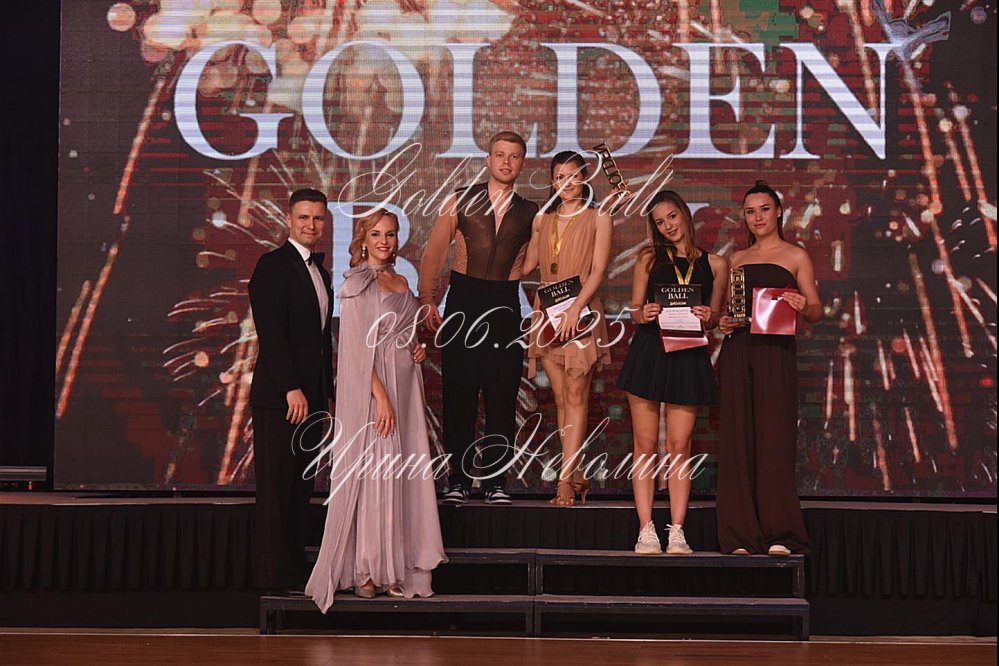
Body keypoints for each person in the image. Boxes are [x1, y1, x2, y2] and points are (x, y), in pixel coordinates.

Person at [306, 208, 446, 610]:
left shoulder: (402, 281)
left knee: (400, 476)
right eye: (377, 234)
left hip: (407, 388)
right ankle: (368, 571)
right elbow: (354, 349)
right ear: (363, 240)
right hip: (374, 392)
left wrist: (417, 349)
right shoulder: (355, 284)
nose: (385, 241)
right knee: (374, 476)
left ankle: (395, 569)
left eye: (391, 234)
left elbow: (405, 331)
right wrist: (381, 398)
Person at [418, 131, 540, 505]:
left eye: (514, 156)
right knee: (460, 394)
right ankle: (457, 479)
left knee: (502, 396)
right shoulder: (460, 199)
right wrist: (427, 298)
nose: (506, 162)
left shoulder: (532, 212)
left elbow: (534, 262)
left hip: (505, 304)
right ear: (488, 160)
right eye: (500, 155)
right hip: (463, 302)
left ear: (522, 163)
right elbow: (434, 252)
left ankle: (495, 482)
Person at [616, 190, 727, 555]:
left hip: (688, 354)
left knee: (680, 446)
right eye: (660, 222)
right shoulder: (648, 258)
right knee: (645, 445)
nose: (668, 226)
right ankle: (645, 529)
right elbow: (634, 309)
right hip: (649, 351)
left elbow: (715, 317)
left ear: (684, 213)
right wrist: (643, 312)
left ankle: (677, 530)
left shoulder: (716, 264)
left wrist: (709, 316)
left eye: (672, 217)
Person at [716, 181, 823, 556]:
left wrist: (802, 305)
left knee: (775, 440)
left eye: (764, 209)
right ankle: (740, 536)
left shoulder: (796, 256)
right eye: (750, 211)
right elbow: (729, 313)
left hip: (776, 354)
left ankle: (781, 533)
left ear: (778, 212)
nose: (757, 217)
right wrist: (724, 323)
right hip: (738, 352)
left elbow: (817, 310)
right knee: (738, 441)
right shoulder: (736, 259)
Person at [248, 188, 334, 593]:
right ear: (288, 220)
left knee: (300, 490)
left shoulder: (322, 273)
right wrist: (292, 388)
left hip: (311, 400)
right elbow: (271, 334)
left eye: (317, 218)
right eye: (303, 217)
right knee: (276, 490)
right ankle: (272, 580)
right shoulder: (272, 265)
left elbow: (320, 342)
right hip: (280, 400)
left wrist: (324, 394)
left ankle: (293, 573)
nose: (310, 225)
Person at [521, 151, 612, 505]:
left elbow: (598, 270)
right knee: (561, 397)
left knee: (576, 395)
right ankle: (577, 473)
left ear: (585, 178)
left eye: (574, 175)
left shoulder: (598, 216)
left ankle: (564, 481)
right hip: (547, 314)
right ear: (552, 182)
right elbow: (528, 265)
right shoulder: (543, 219)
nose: (567, 183)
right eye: (560, 177)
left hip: (581, 312)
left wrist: (575, 309)